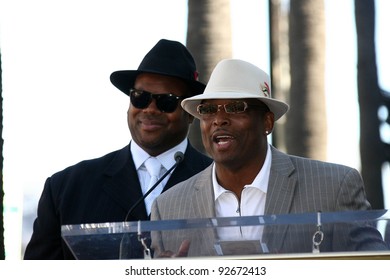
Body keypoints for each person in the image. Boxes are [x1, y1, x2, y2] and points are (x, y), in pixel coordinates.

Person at [150, 58, 388, 257]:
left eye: (235, 108)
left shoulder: (334, 187)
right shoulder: (168, 207)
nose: (218, 119)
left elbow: (373, 266)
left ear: (267, 122)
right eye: (208, 110)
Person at [24, 39, 213, 259]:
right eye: (140, 98)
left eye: (166, 101)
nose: (150, 109)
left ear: (190, 113)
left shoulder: (219, 182)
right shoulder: (65, 188)